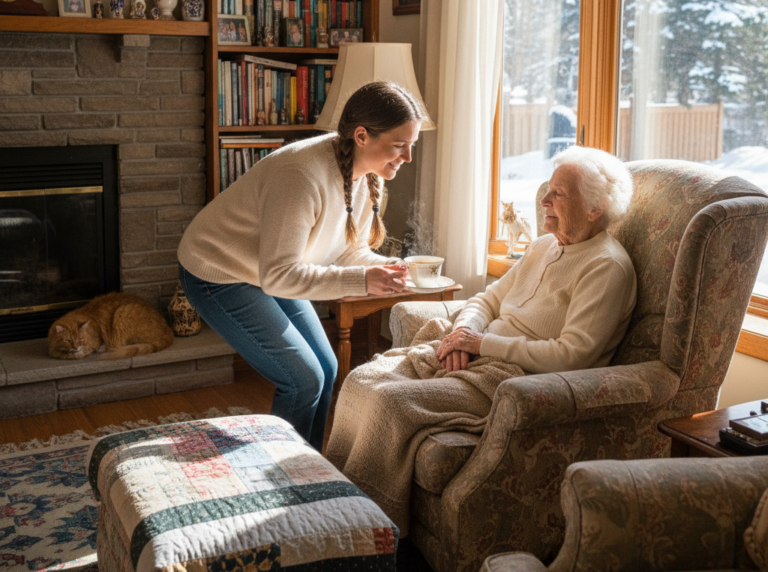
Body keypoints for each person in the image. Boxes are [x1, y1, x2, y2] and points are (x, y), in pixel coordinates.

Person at [326, 145, 637, 533]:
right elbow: (488, 298)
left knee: (392, 403)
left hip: (510, 378)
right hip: (477, 350)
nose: (544, 200)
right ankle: (329, 500)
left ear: (596, 208)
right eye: (548, 189)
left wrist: (480, 346)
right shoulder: (544, 245)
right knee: (361, 379)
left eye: (559, 193)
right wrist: (464, 332)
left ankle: (368, 528)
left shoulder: (606, 267)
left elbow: (571, 355)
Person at [177, 81, 429, 452]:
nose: (407, 157)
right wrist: (362, 280)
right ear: (361, 135)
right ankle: (284, 478)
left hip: (268, 269)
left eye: (412, 145)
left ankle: (308, 466)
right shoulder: (301, 176)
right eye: (399, 145)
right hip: (218, 270)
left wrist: (386, 268)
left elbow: (348, 250)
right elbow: (280, 275)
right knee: (303, 379)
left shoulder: (365, 174)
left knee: (326, 368)